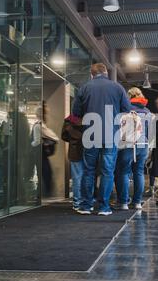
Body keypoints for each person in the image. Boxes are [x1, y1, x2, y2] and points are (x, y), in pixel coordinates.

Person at [72, 63, 132, 216]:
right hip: (110, 134)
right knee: (107, 171)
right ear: (105, 72)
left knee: (88, 170)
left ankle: (86, 206)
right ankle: (104, 207)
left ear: (92, 74)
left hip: (90, 134)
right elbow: (126, 109)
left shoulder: (84, 88)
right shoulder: (117, 88)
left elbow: (76, 113)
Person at [115, 88, 151, 210]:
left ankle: (124, 202)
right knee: (139, 172)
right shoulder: (147, 111)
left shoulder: (126, 109)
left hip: (128, 145)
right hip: (143, 146)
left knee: (124, 172)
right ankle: (137, 202)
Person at [31, 104, 59, 197]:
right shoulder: (41, 125)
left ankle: (42, 193)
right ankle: (44, 193)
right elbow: (38, 140)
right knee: (45, 172)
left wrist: (30, 145)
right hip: (41, 153)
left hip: (39, 153)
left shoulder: (39, 125)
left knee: (43, 173)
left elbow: (36, 141)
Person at [61, 114, 84, 211]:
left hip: (74, 150)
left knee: (76, 178)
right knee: (89, 176)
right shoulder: (90, 117)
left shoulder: (69, 120)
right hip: (88, 150)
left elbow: (64, 136)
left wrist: (73, 140)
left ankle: (76, 202)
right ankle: (87, 201)